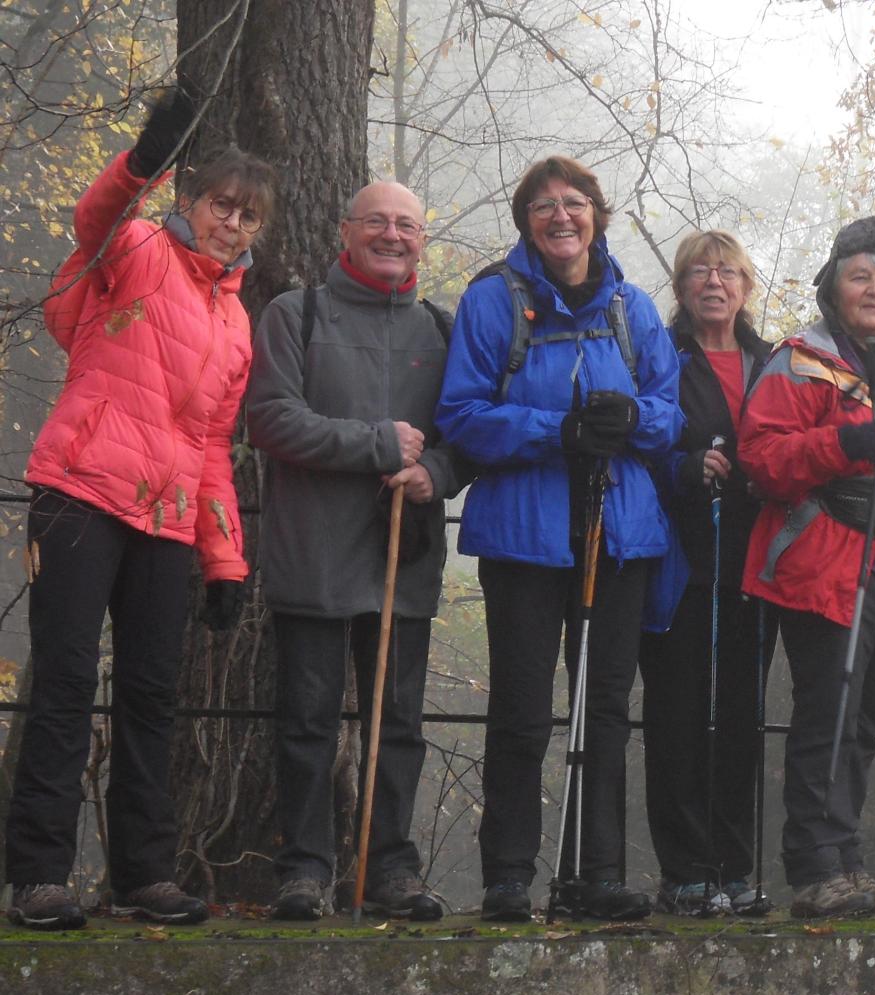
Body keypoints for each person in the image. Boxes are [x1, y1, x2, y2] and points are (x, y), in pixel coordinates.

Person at [6, 91, 270, 930]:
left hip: (165, 518)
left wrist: (224, 561)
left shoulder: (236, 325)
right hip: (81, 492)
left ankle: (142, 876)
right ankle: (41, 878)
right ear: (190, 201)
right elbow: (95, 217)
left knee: (153, 696)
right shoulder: (143, 247)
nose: (231, 223)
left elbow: (213, 450)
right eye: (222, 205)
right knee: (65, 683)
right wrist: (143, 158)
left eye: (248, 216)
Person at [437, 155, 682, 923]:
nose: (561, 216)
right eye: (543, 207)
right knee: (520, 705)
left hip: (617, 533)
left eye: (574, 203)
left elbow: (669, 411)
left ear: (596, 215)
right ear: (525, 223)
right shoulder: (492, 303)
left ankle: (593, 874)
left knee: (604, 706)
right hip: (524, 534)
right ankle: (509, 874)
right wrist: (560, 431)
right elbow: (462, 415)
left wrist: (630, 421)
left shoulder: (632, 308)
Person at [247, 180, 469, 922]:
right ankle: (305, 871)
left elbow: (462, 438)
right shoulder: (295, 314)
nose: (392, 235)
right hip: (310, 551)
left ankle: (389, 870)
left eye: (407, 225)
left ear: (422, 242)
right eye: (377, 221)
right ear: (345, 230)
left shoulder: (441, 329)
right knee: (307, 720)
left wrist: (433, 472)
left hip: (401, 556)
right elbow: (272, 419)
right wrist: (375, 443)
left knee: (399, 724)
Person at [739, 216, 875, 918]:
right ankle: (814, 867)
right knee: (828, 713)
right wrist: (848, 441)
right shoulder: (801, 359)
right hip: (822, 562)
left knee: (866, 719)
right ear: (833, 286)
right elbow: (761, 461)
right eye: (861, 276)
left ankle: (846, 860)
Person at [639, 231, 774, 917]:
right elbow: (640, 440)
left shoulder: (774, 363)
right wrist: (684, 469)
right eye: (698, 271)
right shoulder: (659, 354)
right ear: (681, 287)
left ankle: (736, 866)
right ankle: (685, 868)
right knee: (679, 713)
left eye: (728, 271)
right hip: (681, 558)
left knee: (742, 715)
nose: (714, 282)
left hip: (758, 560)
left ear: (747, 287)